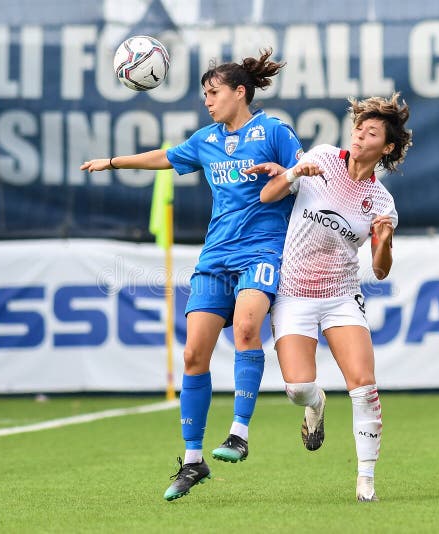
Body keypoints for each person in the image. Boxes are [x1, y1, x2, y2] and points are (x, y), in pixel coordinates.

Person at [81, 49, 302, 501]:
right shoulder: (207, 139)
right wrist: (113, 161)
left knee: (245, 329)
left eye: (213, 92)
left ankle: (239, 433)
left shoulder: (274, 130)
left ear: (240, 92)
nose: (207, 100)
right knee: (193, 356)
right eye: (204, 93)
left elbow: (306, 174)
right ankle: (193, 460)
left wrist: (286, 173)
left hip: (262, 248)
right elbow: (166, 156)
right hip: (215, 255)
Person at [244, 93, 412, 502]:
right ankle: (315, 404)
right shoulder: (322, 159)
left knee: (364, 387)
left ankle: (366, 482)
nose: (360, 135)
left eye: (372, 132)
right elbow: (267, 196)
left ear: (387, 147)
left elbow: (380, 269)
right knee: (297, 387)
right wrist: (292, 172)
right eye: (359, 127)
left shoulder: (382, 202)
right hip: (294, 293)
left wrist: (385, 241)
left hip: (341, 295)